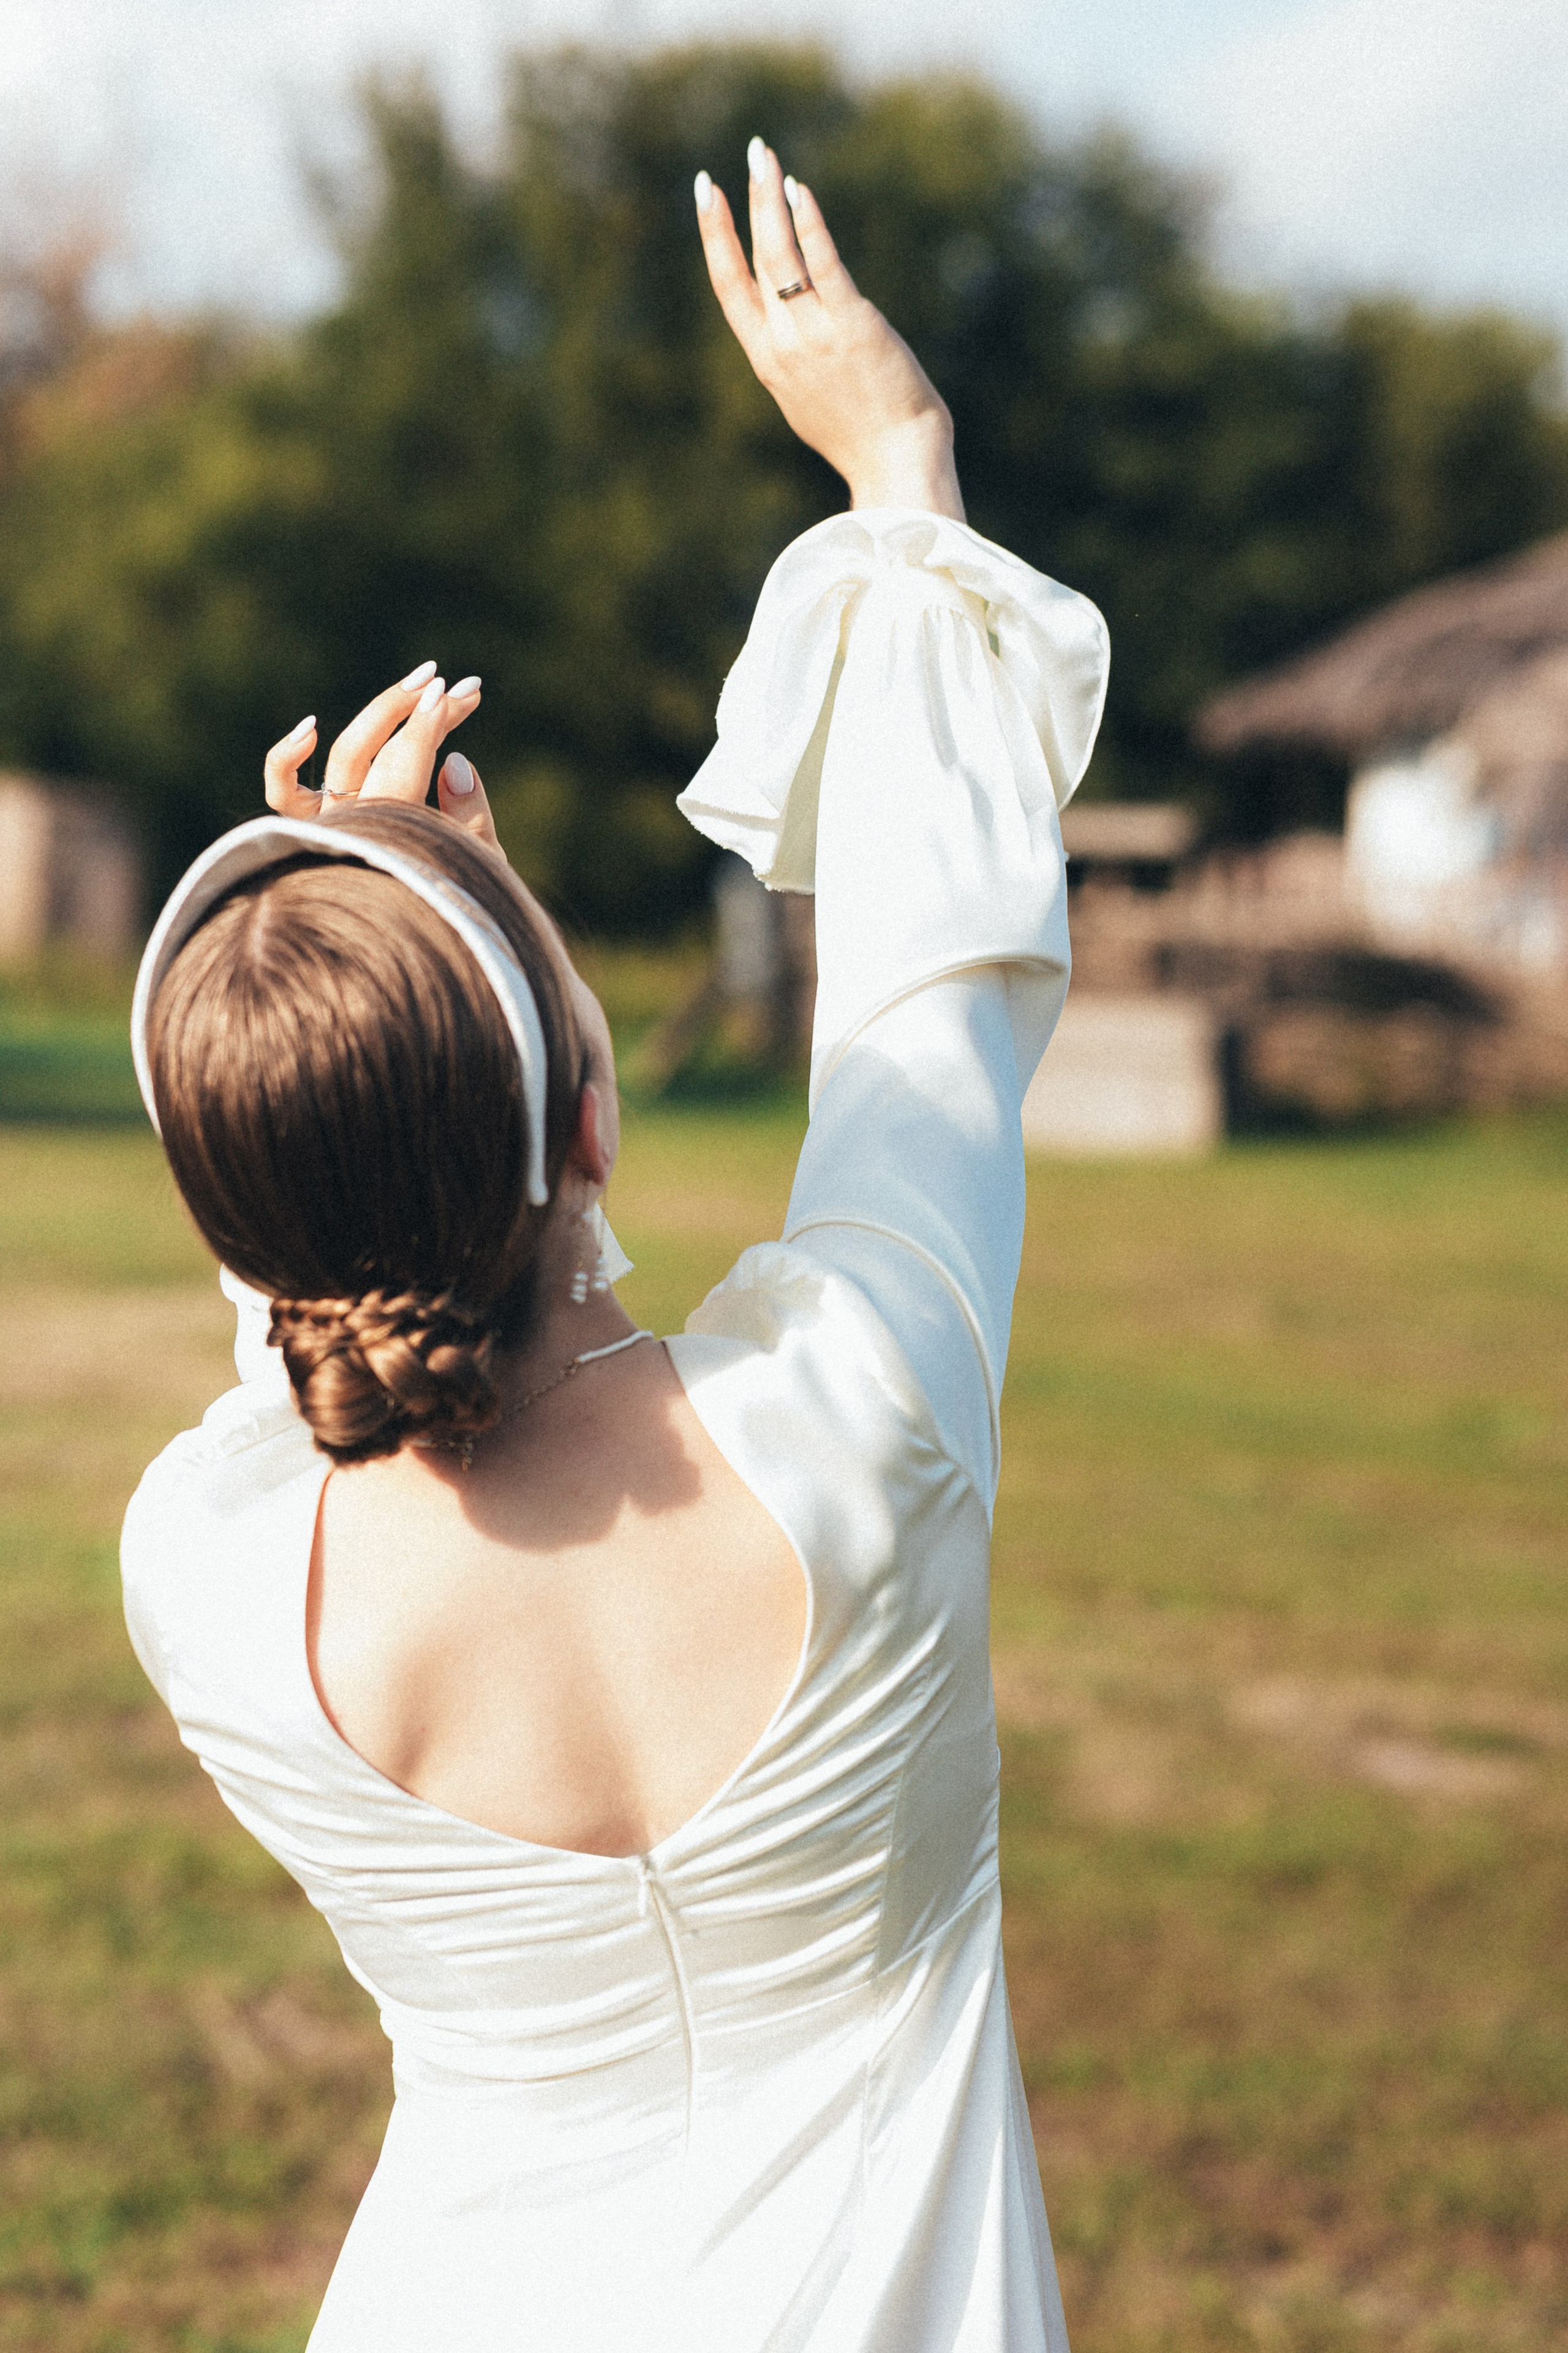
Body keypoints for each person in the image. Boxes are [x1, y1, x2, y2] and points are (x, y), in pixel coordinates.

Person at [121, 140, 1108, 2351]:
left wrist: (347, 931)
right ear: (595, 1111)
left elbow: (299, 1258)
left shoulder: (206, 1566)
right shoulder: (864, 1413)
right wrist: (898, 476)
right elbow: (931, 995)